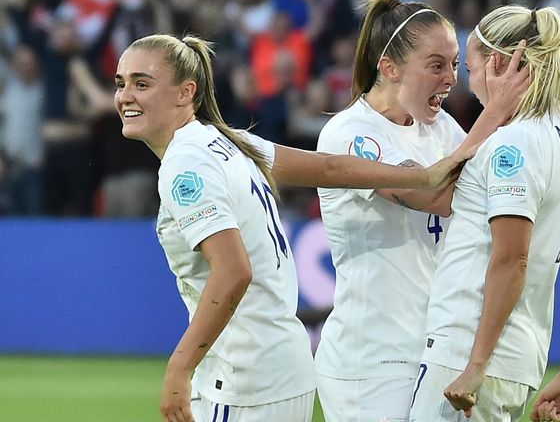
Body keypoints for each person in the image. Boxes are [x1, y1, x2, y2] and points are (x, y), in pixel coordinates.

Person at [113, 33, 473, 422]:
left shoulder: (186, 162)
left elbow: (233, 272)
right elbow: (329, 167)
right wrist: (420, 177)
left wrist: (179, 367)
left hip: (242, 378)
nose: (125, 96)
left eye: (142, 84)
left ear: (187, 92)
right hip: (285, 366)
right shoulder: (227, 141)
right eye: (121, 84)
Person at [314, 0, 530, 422]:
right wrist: (495, 115)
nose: (451, 78)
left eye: (454, 64)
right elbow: (434, 195)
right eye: (436, 65)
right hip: (371, 356)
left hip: (434, 346)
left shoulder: (445, 130)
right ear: (389, 68)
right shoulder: (350, 135)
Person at [409, 5, 560, 422]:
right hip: (522, 360)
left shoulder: (511, 145)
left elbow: (512, 259)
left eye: (470, 66)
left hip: (470, 351)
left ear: (498, 64)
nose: (465, 80)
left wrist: (475, 365)